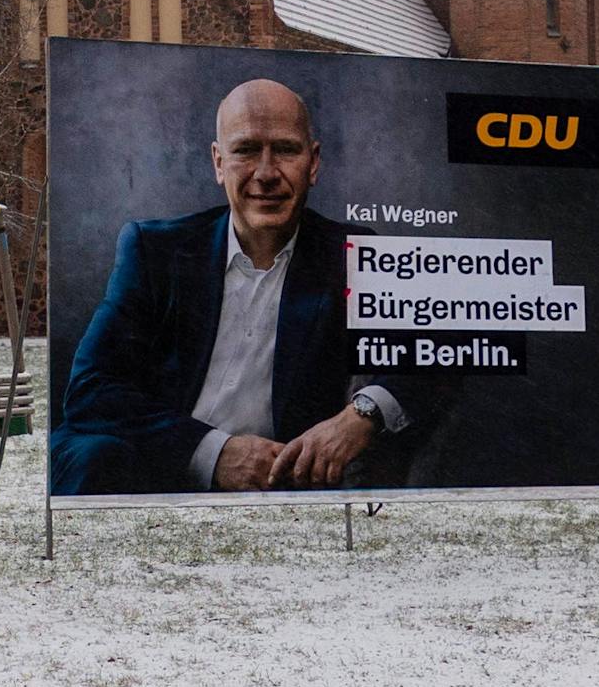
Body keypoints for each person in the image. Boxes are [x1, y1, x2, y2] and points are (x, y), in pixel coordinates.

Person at [50, 77, 412, 496]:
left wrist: (362, 415)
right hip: (160, 468)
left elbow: (439, 353)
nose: (266, 173)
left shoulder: (353, 255)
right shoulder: (154, 252)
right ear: (218, 163)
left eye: (285, 150)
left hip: (283, 484)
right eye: (245, 151)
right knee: (90, 455)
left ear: (313, 163)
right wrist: (214, 453)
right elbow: (91, 389)